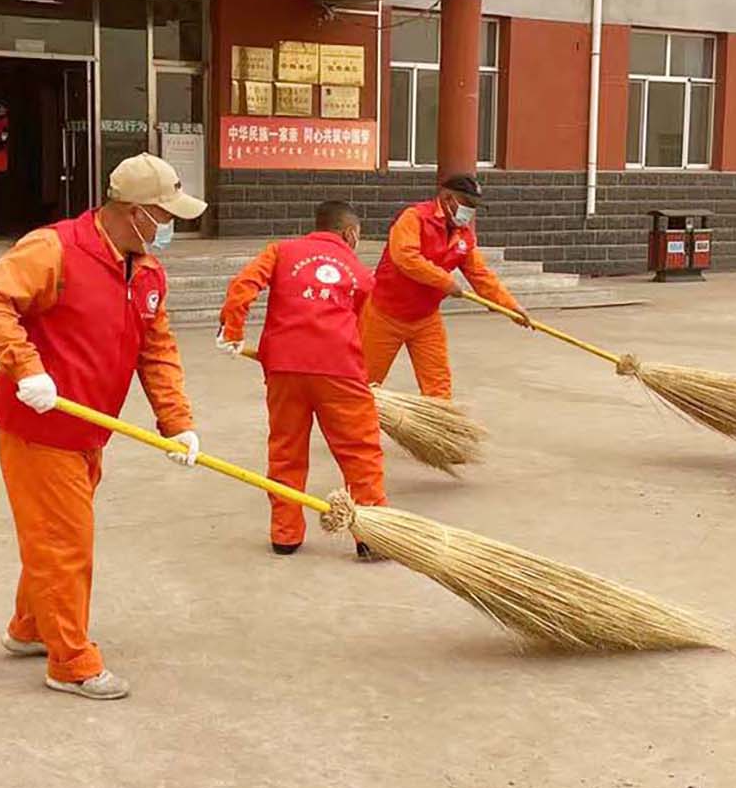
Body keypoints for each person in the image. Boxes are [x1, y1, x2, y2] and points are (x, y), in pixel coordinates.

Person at [0, 153, 206, 701]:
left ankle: (31, 627)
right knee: (65, 541)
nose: (169, 228)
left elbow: (157, 350)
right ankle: (71, 661)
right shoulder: (54, 249)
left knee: (54, 537)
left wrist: (178, 423)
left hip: (88, 430)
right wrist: (28, 369)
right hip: (40, 426)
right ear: (131, 210)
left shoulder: (145, 269)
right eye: (163, 216)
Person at [216, 201, 388, 560]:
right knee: (359, 453)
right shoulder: (359, 271)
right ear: (350, 234)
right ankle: (370, 536)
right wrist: (362, 375)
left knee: (286, 451)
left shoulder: (281, 251)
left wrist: (233, 331)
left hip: (283, 368)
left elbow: (242, 286)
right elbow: (362, 327)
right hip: (340, 370)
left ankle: (286, 535)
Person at [359, 174, 533, 400]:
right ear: (447, 198)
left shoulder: (464, 236)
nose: (469, 211)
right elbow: (405, 257)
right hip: (384, 315)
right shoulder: (414, 218)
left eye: (474, 207)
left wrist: (510, 307)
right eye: (467, 204)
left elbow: (481, 275)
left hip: (426, 319)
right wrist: (445, 281)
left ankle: (437, 430)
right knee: (364, 383)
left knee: (439, 389)